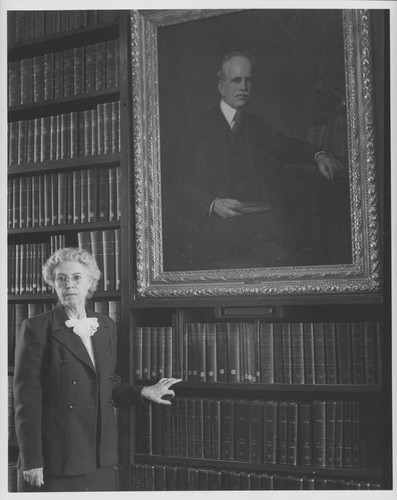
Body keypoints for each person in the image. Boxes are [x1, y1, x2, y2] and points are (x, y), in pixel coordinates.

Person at [13, 247, 181, 492]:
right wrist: (32, 460)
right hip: (57, 457)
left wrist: (142, 392)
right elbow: (26, 400)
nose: (69, 284)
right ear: (54, 284)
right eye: (61, 278)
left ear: (90, 282)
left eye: (76, 278)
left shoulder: (105, 326)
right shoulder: (36, 328)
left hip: (100, 455)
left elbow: (105, 385)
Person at [170, 51, 342, 269]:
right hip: (213, 229)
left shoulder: (259, 127)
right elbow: (179, 180)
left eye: (248, 80)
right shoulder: (195, 127)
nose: (243, 87)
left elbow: (289, 145)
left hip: (260, 230)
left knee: (292, 258)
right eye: (236, 80)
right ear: (221, 86)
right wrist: (213, 204)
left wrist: (319, 155)